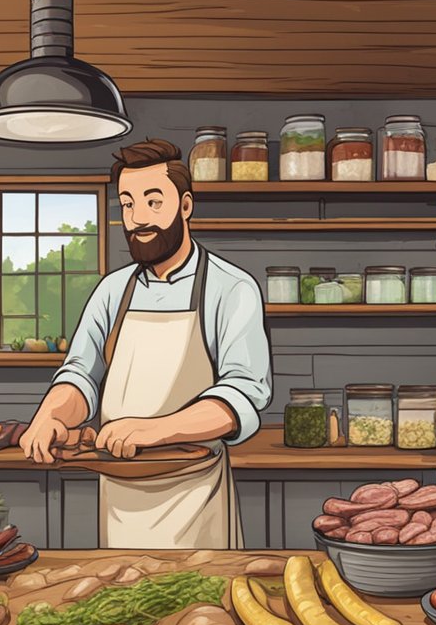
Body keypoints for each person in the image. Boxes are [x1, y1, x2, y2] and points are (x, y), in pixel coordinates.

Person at [22, 137, 272, 549]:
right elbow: (82, 376)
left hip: (195, 496)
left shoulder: (231, 288)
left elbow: (241, 396)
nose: (138, 218)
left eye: (154, 202)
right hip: (119, 494)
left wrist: (152, 430)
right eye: (127, 203)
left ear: (186, 206)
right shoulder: (112, 291)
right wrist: (51, 415)